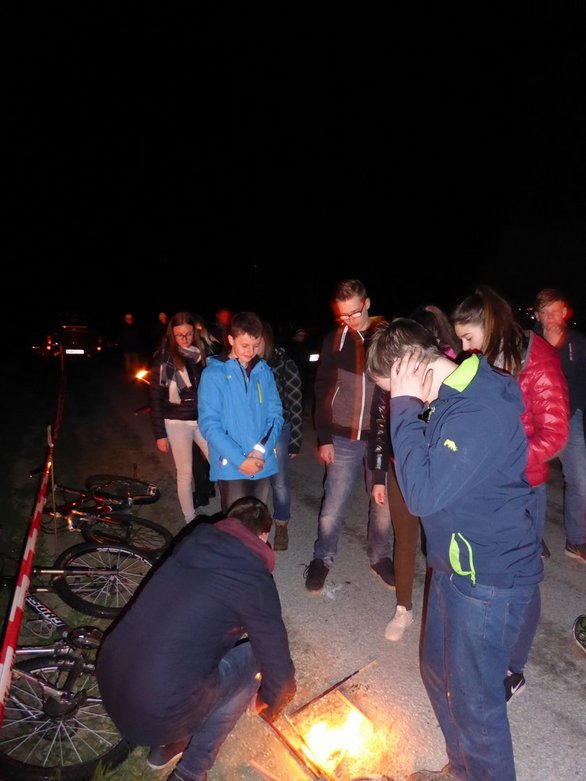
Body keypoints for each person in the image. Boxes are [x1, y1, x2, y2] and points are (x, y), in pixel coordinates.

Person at [366, 317, 543, 781]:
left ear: (409, 369)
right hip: (455, 568)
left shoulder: (476, 410)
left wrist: (404, 407)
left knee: (475, 704)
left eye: (389, 388)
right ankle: (464, 770)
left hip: (487, 578)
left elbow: (421, 496)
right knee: (437, 673)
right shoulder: (451, 397)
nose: (391, 399)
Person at [96, 496, 296, 781]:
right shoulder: (254, 580)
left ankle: (168, 745)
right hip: (156, 711)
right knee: (253, 659)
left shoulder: (191, 543)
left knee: (189, 642)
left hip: (110, 680)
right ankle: (190, 772)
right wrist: (269, 701)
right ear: (264, 536)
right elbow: (279, 670)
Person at [451, 285, 569, 701]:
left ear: (490, 326)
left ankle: (513, 668)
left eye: (468, 338)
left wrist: (505, 458)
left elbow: (555, 434)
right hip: (487, 483)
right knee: (493, 571)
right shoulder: (485, 360)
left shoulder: (537, 360)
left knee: (523, 577)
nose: (464, 348)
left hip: (523, 487)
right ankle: (489, 646)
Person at [367, 305, 460, 642]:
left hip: (438, 471)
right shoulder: (392, 377)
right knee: (405, 540)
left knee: (439, 545)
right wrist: (379, 475)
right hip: (398, 468)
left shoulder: (451, 380)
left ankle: (444, 610)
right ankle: (403, 608)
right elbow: (379, 427)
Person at [304, 279, 393, 594]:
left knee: (383, 502)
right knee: (333, 503)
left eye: (354, 313)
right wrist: (324, 437)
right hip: (342, 437)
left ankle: (380, 557)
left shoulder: (386, 337)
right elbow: (322, 387)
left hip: (379, 435)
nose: (348, 320)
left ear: (367, 303)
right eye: (342, 315)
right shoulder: (335, 340)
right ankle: (322, 557)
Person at [198, 311, 283, 514]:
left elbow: (275, 416)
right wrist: (241, 460)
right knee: (235, 525)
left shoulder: (264, 371)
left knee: (258, 522)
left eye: (256, 345)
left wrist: (260, 451)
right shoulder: (213, 374)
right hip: (231, 466)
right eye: (245, 345)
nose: (251, 351)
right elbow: (209, 425)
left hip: (261, 462)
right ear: (231, 340)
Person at [533, 288, 586, 563]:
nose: (551, 318)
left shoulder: (578, 342)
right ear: (537, 315)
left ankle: (576, 540)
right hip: (537, 418)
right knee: (535, 480)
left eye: (555, 312)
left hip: (569, 418)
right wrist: (551, 348)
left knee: (581, 481)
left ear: (565, 313)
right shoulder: (529, 341)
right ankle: (532, 539)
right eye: (545, 313)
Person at [148, 311, 213, 523]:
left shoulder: (201, 354)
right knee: (184, 472)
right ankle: (190, 519)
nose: (184, 339)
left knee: (220, 463)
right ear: (172, 334)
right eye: (179, 335)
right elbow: (156, 397)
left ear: (195, 332)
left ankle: (230, 511)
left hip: (202, 419)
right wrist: (160, 434)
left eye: (189, 334)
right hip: (176, 422)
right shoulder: (165, 358)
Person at [259, 321, 303, 551]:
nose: (252, 347)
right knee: (255, 480)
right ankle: (255, 528)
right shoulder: (243, 366)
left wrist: (295, 441)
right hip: (251, 431)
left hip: (279, 429)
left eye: (257, 341)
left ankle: (282, 525)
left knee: (280, 482)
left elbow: (295, 404)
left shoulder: (284, 364)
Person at [119, 312, 141, 379]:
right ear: (126, 319)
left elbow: (137, 337)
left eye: (130, 318)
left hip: (134, 348)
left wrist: (137, 344)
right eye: (128, 319)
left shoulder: (134, 327)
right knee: (128, 363)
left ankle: (136, 375)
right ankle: (128, 376)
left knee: (136, 362)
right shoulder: (123, 328)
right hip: (127, 348)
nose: (130, 320)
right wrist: (124, 346)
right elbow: (122, 338)